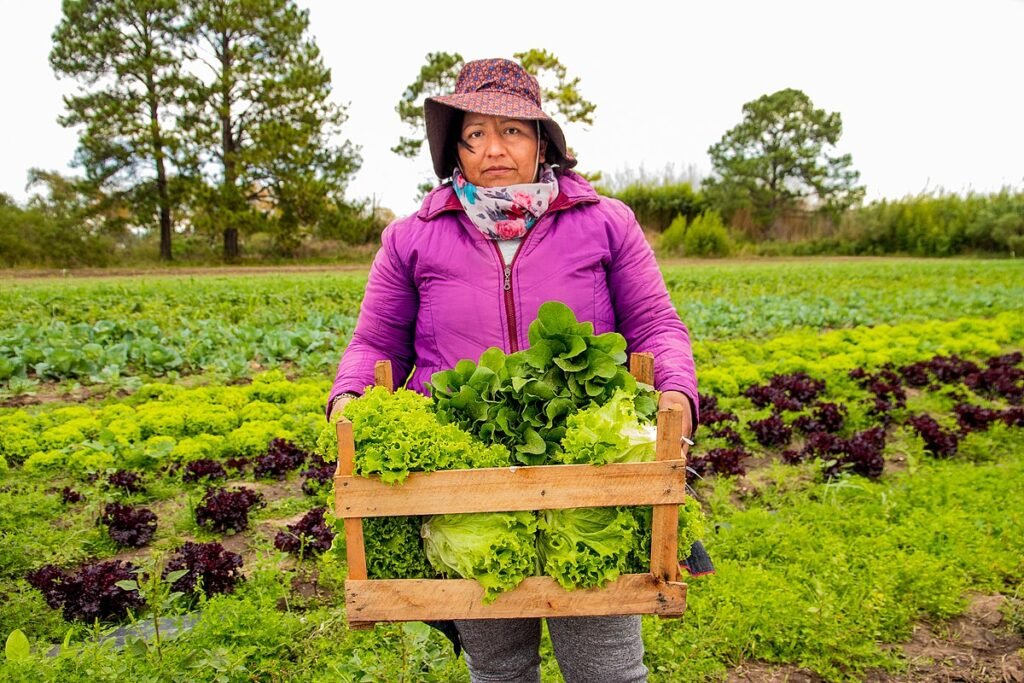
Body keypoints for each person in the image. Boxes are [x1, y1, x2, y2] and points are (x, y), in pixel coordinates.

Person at [327, 58, 700, 683]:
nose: (492, 149)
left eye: (512, 131)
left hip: (587, 474)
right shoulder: (411, 238)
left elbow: (656, 325)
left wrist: (677, 393)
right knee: (499, 669)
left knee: (605, 669)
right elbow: (375, 344)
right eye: (474, 134)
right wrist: (348, 397)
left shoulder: (606, 223)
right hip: (466, 480)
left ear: (542, 142)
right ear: (455, 150)